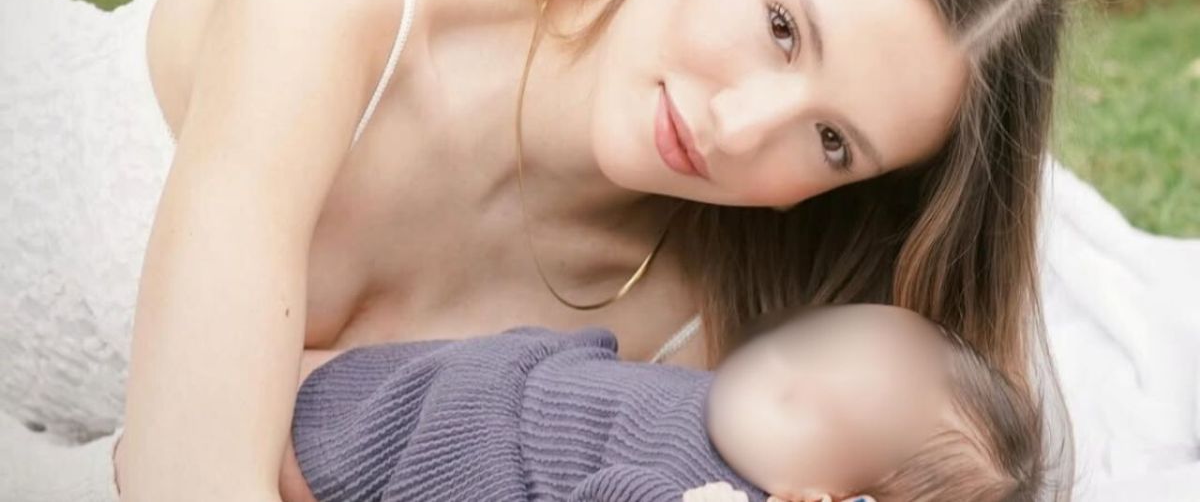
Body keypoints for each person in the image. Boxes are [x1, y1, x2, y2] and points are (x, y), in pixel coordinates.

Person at [0, 0, 1076, 499]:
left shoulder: (701, 355)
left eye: (832, 142)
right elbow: (187, 480)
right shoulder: (338, 8)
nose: (740, 127)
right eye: (782, 28)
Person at [273, 304, 1045, 502]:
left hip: (456, 452)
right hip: (481, 382)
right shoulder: (722, 413)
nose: (773, 360)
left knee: (294, 447)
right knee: (293, 383)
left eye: (798, 396)